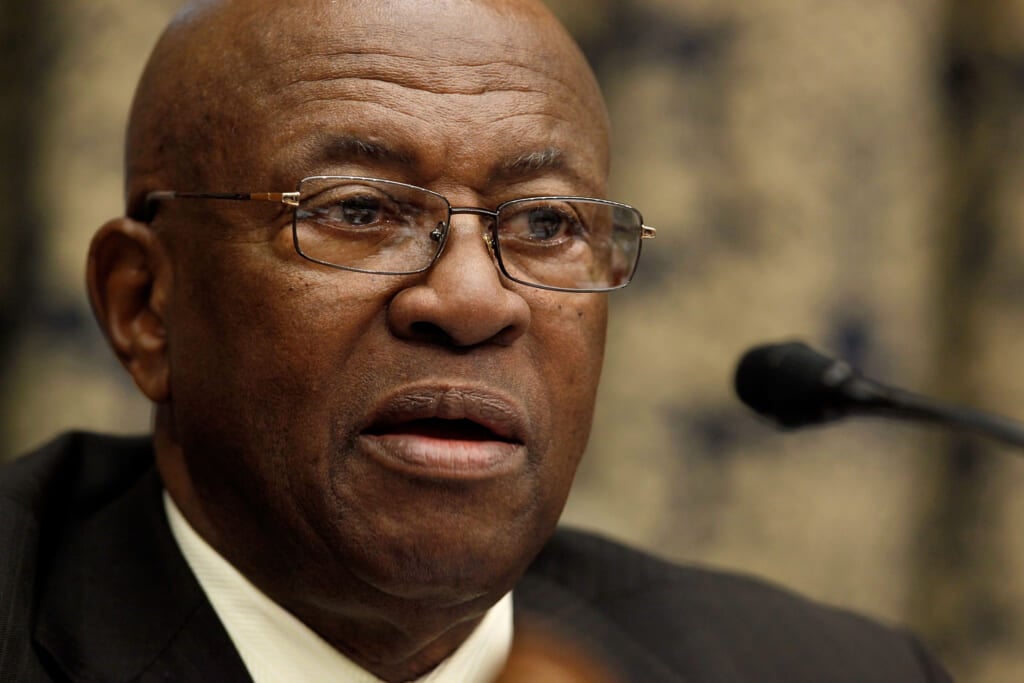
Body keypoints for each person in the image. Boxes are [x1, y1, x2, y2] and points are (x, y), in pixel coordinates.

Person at [0, 1, 952, 681]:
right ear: (144, 304)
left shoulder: (834, 667)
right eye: (358, 209)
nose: (469, 300)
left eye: (544, 223)